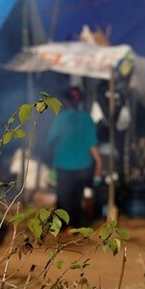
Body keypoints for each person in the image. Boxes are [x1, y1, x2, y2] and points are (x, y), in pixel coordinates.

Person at [45, 86, 103, 227]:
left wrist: (48, 157)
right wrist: (99, 162)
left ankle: (63, 226)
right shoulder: (87, 119)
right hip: (83, 166)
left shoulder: (60, 120)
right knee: (77, 198)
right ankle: (76, 225)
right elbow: (92, 144)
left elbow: (50, 142)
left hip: (63, 166)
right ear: (81, 101)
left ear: (65, 101)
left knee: (64, 198)